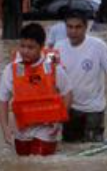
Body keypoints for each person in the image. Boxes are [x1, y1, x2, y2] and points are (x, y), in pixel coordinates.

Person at [55, 10, 107, 143]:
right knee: (70, 147)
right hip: (69, 108)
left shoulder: (98, 45)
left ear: (86, 27)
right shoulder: (58, 47)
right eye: (69, 27)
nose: (73, 31)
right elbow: (52, 78)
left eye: (78, 27)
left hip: (94, 108)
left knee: (93, 147)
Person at [0, 23, 72, 156]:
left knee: (39, 163)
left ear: (41, 47)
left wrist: (59, 120)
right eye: (22, 46)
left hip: (47, 128)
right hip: (21, 129)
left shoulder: (53, 67)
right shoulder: (11, 69)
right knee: (24, 166)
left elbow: (67, 93)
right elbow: (3, 101)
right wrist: (5, 128)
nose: (25, 51)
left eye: (30, 47)